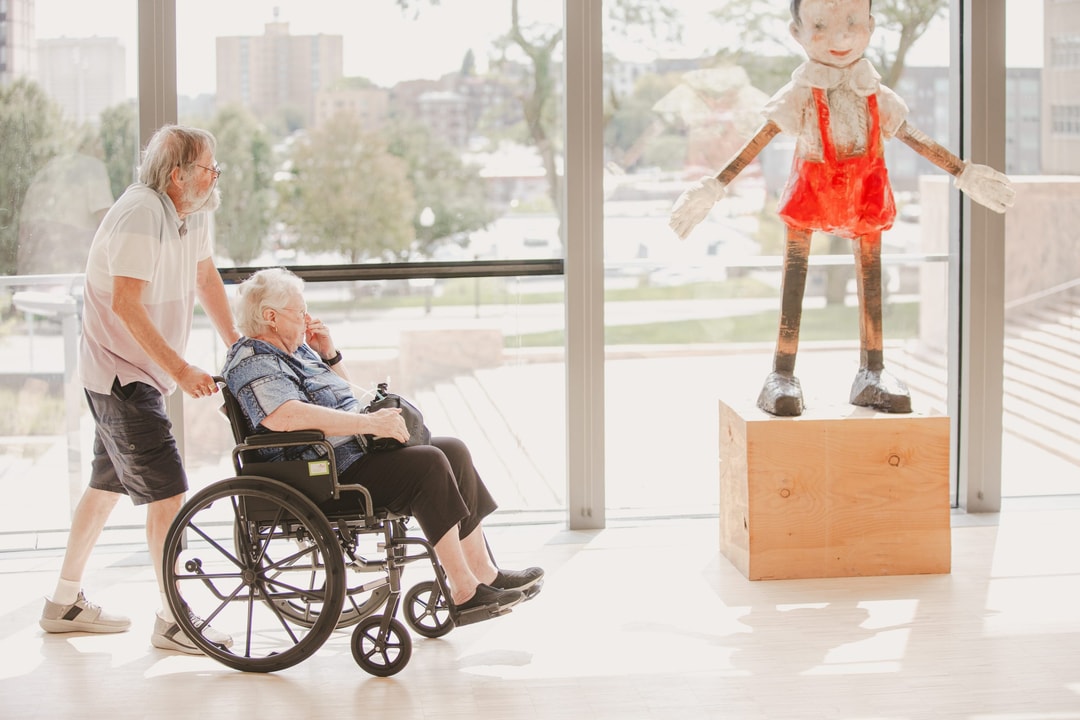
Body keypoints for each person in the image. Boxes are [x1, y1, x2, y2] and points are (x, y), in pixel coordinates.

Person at [669, 0, 1015, 416]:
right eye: (821, 24)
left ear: (870, 26)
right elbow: (762, 136)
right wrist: (715, 185)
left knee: (870, 280)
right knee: (794, 277)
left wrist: (963, 172)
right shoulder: (800, 93)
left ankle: (872, 371)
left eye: (853, 22)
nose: (841, 36)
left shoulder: (876, 94)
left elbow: (910, 135)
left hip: (865, 191)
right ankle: (782, 372)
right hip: (812, 187)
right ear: (796, 32)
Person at [222, 267, 543, 621]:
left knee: (454, 450)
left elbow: (346, 399)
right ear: (271, 317)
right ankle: (463, 590)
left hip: (350, 453)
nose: (307, 319)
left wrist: (329, 356)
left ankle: (484, 572)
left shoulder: (298, 351)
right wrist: (369, 423)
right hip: (322, 473)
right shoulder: (253, 360)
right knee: (429, 463)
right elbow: (285, 416)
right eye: (299, 312)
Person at [38, 125, 242, 654]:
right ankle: (175, 618)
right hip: (123, 376)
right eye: (206, 168)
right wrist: (180, 370)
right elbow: (126, 304)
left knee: (105, 487)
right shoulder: (141, 213)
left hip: (134, 374)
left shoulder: (185, 216)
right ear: (177, 175)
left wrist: (238, 345)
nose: (214, 176)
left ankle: (63, 603)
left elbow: (205, 279)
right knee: (170, 494)